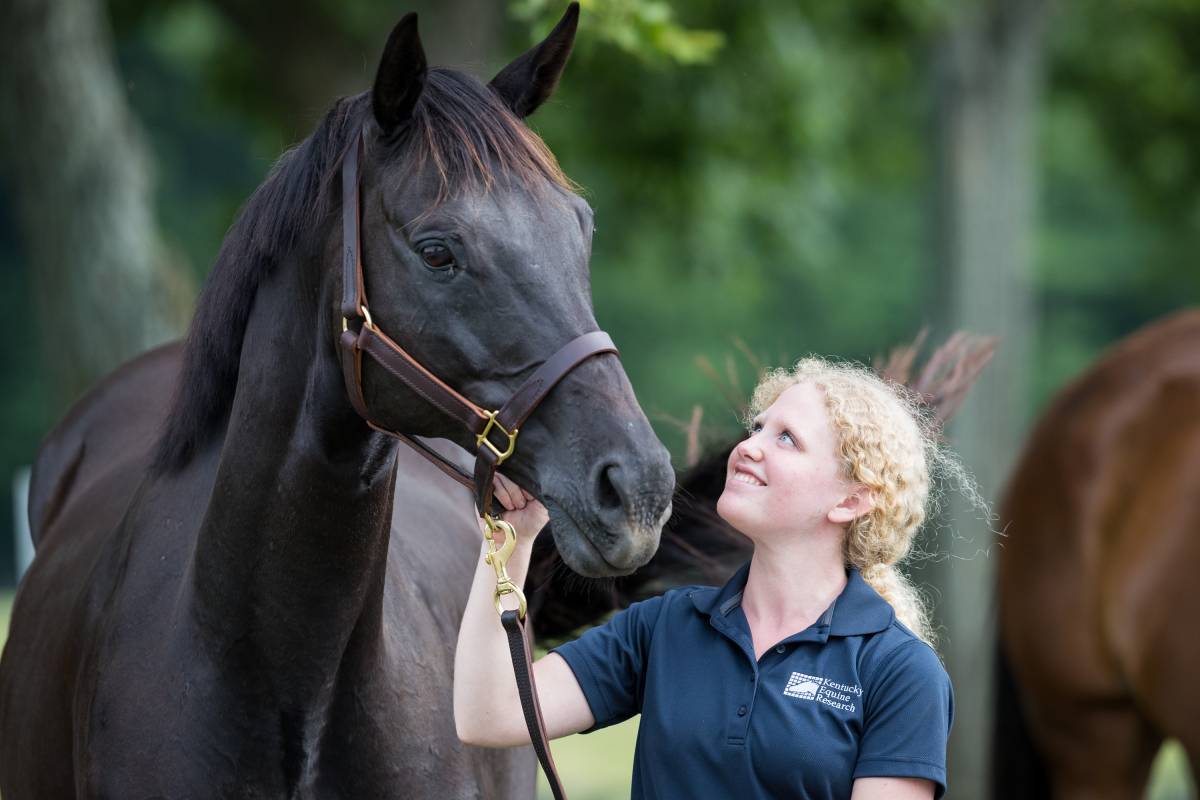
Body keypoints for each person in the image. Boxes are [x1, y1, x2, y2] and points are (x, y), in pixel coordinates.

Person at [454, 357, 958, 799]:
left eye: (787, 439)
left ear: (850, 501)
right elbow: (489, 714)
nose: (750, 446)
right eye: (757, 427)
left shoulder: (901, 674)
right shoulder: (665, 626)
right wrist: (513, 543)